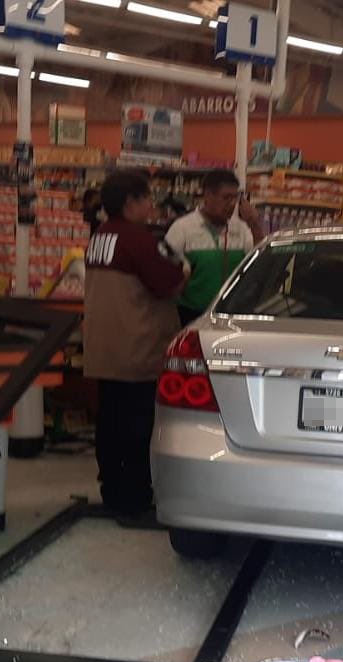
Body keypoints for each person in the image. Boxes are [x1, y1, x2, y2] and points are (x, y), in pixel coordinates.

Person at [83, 170, 188, 515]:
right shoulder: (139, 240)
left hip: (104, 348)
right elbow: (168, 284)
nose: (151, 205)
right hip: (137, 348)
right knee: (138, 426)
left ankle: (112, 488)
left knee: (109, 422)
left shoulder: (100, 235)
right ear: (131, 203)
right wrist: (184, 270)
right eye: (147, 198)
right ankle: (135, 495)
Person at [165, 170, 265, 326]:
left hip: (231, 316)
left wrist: (253, 223)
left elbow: (261, 260)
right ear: (208, 196)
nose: (232, 204)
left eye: (235, 198)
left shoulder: (242, 229)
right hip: (189, 316)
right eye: (226, 198)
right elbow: (166, 276)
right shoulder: (182, 229)